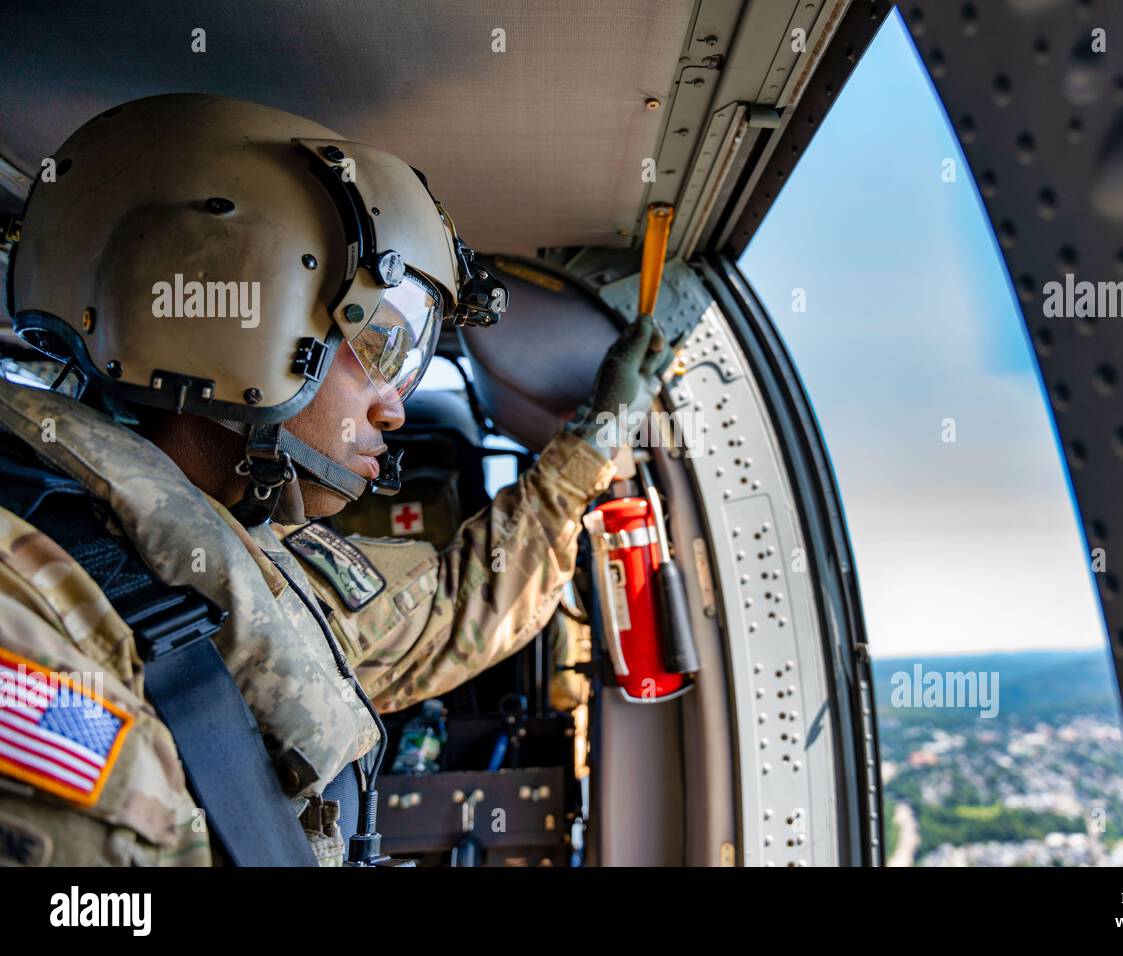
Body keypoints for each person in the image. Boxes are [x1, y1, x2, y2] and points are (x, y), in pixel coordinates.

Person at [0, 93, 671, 866]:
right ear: (242, 325)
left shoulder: (242, 560)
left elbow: (450, 615)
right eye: (380, 344)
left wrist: (599, 434)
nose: (394, 407)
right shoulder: (34, 597)